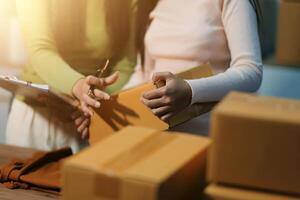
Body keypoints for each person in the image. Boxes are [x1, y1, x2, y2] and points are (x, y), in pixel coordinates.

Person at [6, 0, 157, 152]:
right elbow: (40, 49)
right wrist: (79, 87)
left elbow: (125, 64)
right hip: (36, 114)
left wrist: (94, 99)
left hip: (88, 120)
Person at [134, 0, 263, 134]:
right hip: (160, 134)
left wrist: (191, 90)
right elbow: (143, 73)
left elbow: (251, 71)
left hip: (211, 133)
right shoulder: (151, 2)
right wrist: (113, 100)